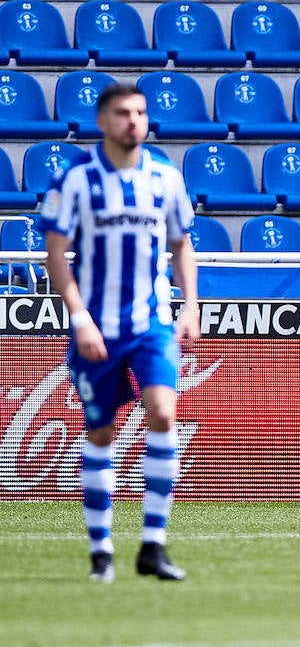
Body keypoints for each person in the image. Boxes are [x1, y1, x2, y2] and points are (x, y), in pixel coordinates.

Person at [39, 83, 200, 582]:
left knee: (164, 411)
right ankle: (101, 547)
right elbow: (54, 257)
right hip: (97, 327)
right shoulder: (76, 180)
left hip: (151, 323)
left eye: (140, 112)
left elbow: (181, 244)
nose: (134, 120)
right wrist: (79, 316)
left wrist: (191, 305)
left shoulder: (165, 178)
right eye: (122, 113)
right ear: (103, 121)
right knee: (102, 431)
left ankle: (153, 544)